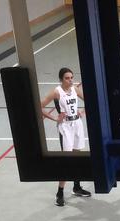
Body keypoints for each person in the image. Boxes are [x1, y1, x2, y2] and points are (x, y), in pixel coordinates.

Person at [39, 67, 91, 206]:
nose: (70, 80)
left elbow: (90, 100)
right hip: (65, 127)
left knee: (77, 156)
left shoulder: (74, 89)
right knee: (66, 159)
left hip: (77, 124)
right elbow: (39, 106)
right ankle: (60, 192)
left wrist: (83, 111)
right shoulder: (57, 92)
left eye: (71, 77)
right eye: (67, 78)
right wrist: (54, 118)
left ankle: (76, 187)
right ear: (61, 79)